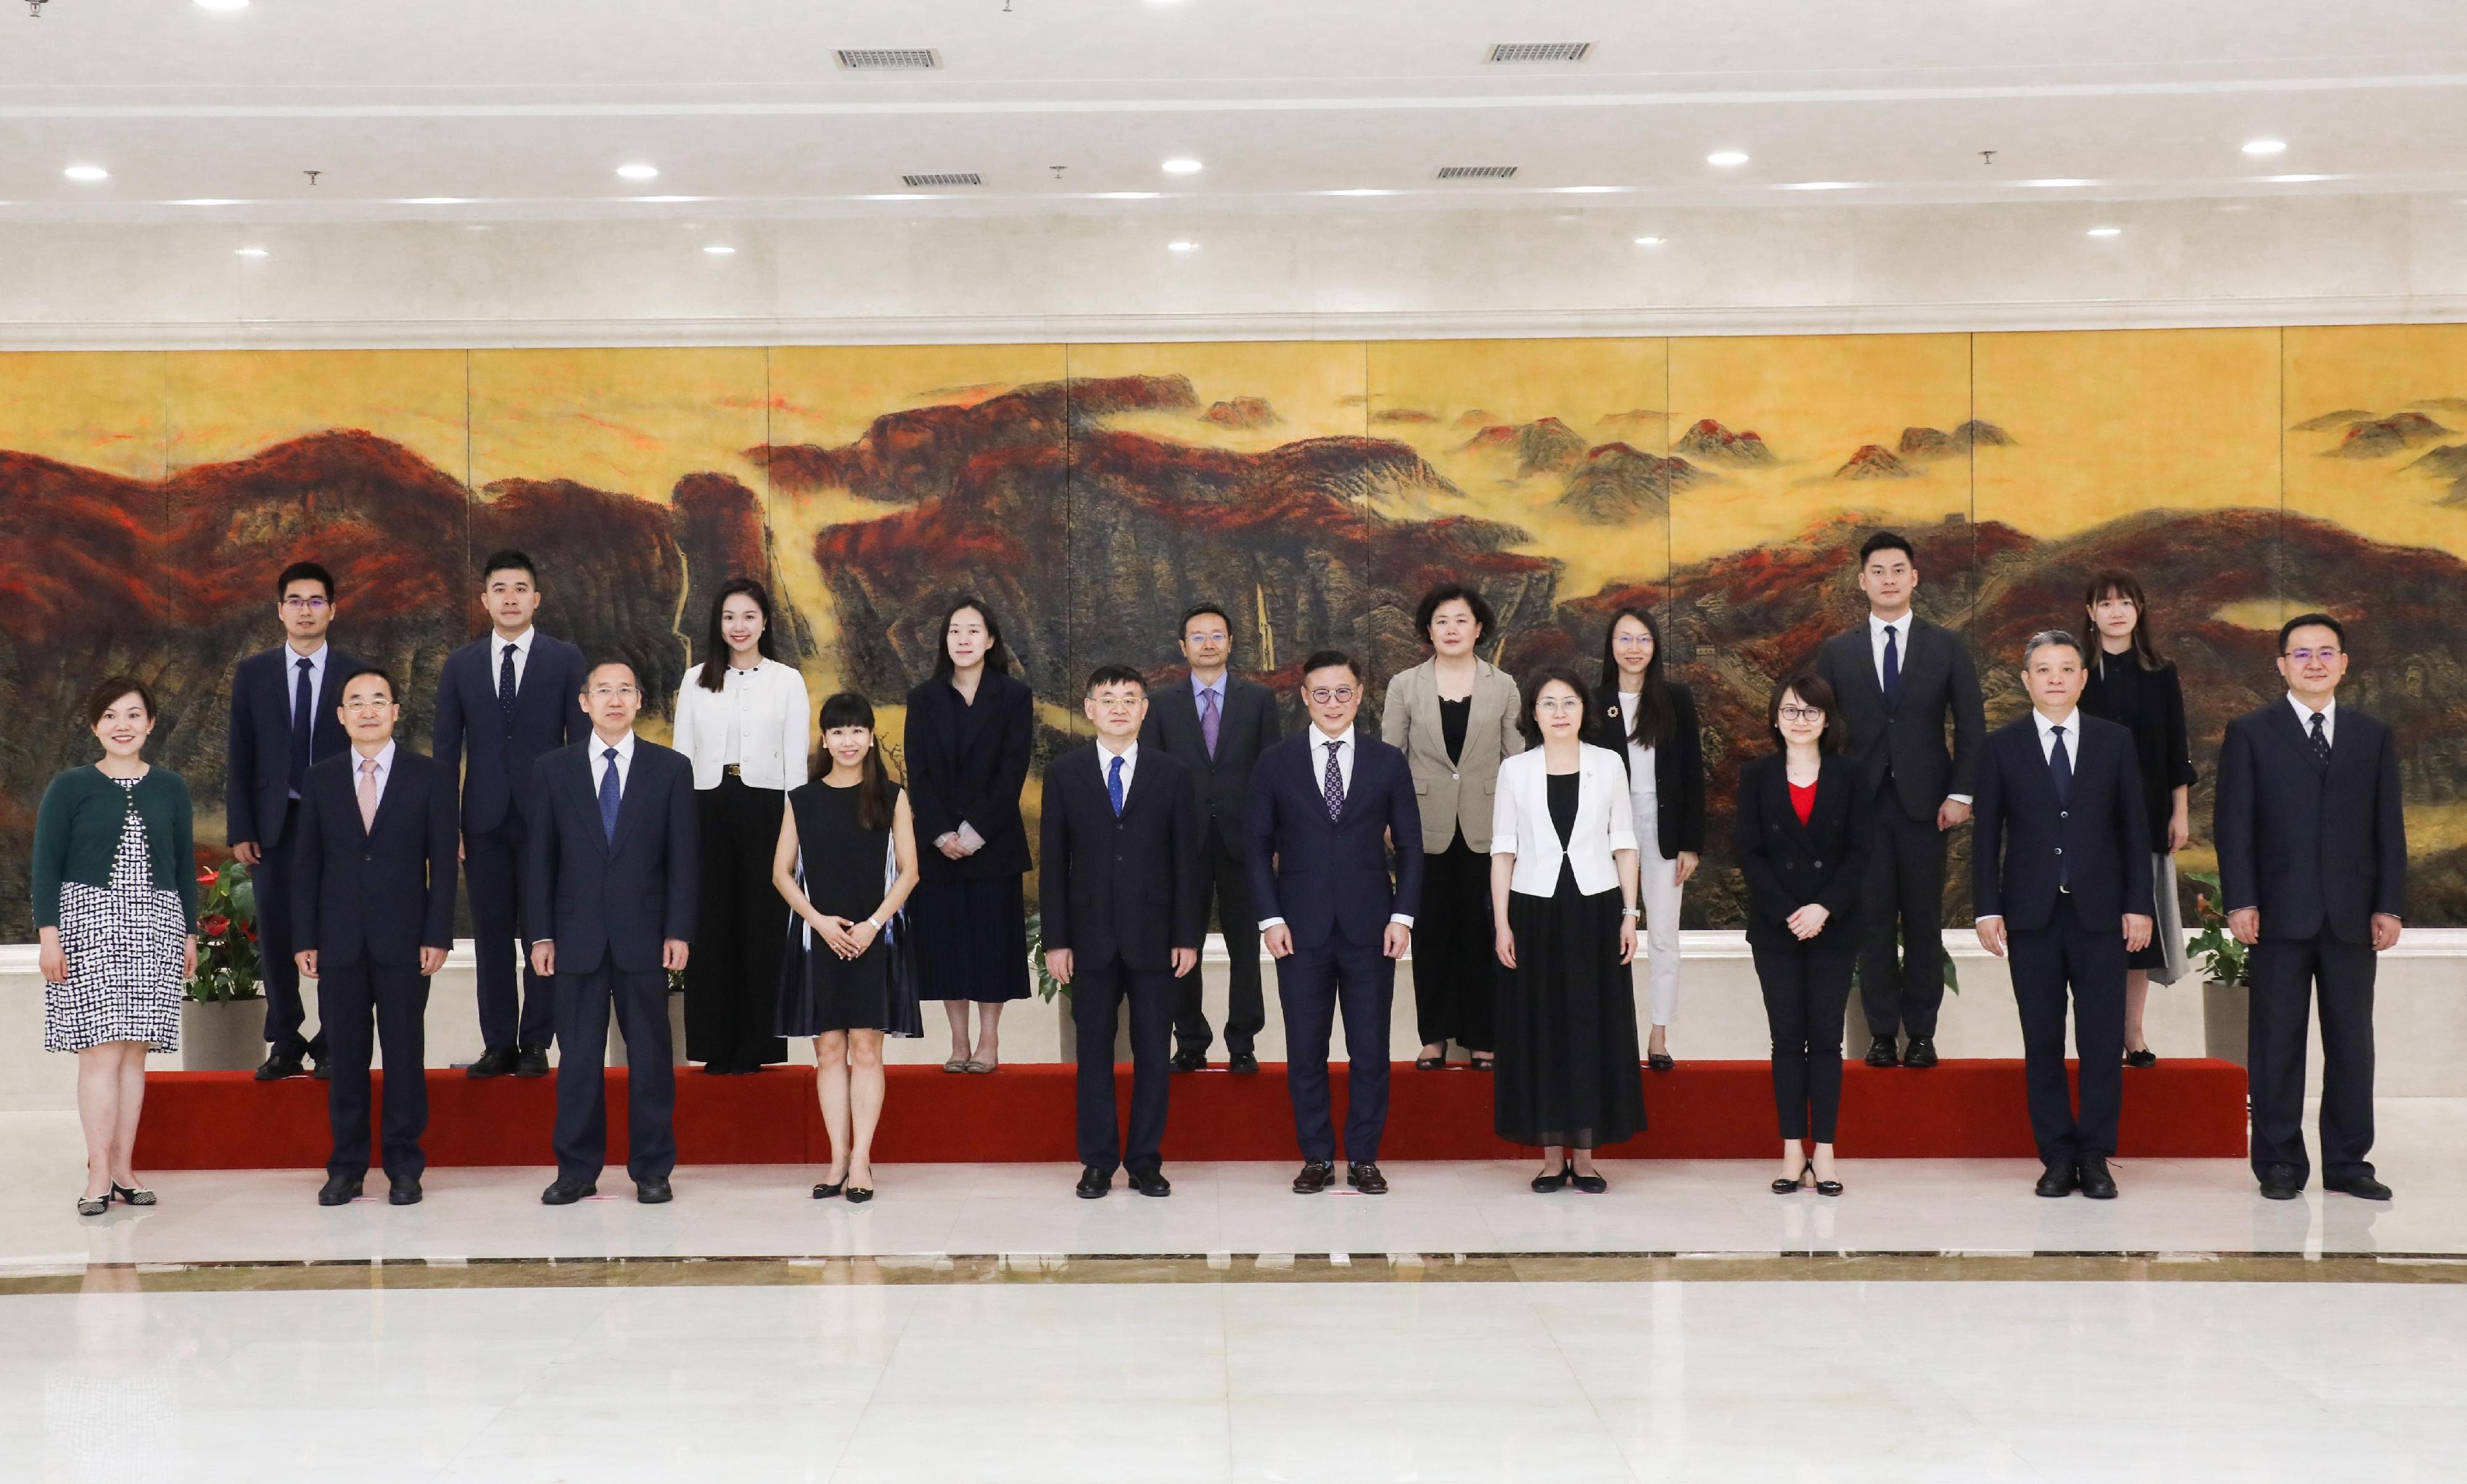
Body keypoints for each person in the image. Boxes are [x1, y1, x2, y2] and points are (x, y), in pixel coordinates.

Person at [2215, 613, 2405, 1203]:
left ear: (2345, 664)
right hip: (2277, 913)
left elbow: (2387, 829)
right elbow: (2233, 825)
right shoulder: (2251, 732)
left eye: (2327, 652)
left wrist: (2389, 906)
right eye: (2301, 654)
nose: (2315, 663)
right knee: (2276, 1042)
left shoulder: (2372, 735)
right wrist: (2241, 900)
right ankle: (2277, 1162)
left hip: (2352, 915)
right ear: (2281, 666)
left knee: (2352, 1042)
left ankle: (2349, 1162)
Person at [1972, 632, 2154, 1201]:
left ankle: (2096, 1154)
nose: (2055, 678)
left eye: (2067, 668)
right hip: (2031, 915)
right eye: (2043, 669)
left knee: (2102, 1039)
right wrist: (1986, 908)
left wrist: (2139, 905)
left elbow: (2134, 830)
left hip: (2102, 914)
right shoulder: (2002, 746)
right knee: (2042, 1038)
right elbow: (1986, 837)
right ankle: (2055, 1154)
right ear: (2026, 681)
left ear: (2082, 678)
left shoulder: (2114, 741)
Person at [1248, 649, 1425, 1195]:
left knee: (1370, 1050)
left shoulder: (1387, 761)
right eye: (1321, 693)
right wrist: (1269, 918)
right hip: (1297, 932)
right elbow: (1255, 848)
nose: (1332, 702)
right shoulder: (1275, 762)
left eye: (1343, 692)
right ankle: (1318, 1157)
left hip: (1373, 929)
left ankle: (1365, 1157)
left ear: (1359, 696)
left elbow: (1413, 848)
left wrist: (1404, 915)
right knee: (1306, 1048)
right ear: (1304, 697)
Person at [526, 661, 698, 1205]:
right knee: (577, 1060)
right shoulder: (554, 770)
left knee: (650, 1057)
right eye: (604, 691)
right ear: (585, 703)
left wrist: (679, 929)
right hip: (574, 937)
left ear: (640, 701)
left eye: (626, 690)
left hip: (644, 935)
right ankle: (576, 1170)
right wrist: (540, 935)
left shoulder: (669, 768)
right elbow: (540, 862)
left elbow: (683, 861)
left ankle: (652, 1169)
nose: (615, 700)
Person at [1811, 530, 1984, 1070]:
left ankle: (1923, 1036)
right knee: (1873, 923)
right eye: (1877, 571)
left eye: (1897, 570)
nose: (1888, 579)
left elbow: (1972, 726)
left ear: (1914, 578)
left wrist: (1961, 794)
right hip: (1860, 808)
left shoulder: (1946, 645)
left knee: (1924, 923)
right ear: (1862, 582)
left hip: (1927, 807)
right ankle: (1882, 1034)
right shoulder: (1838, 651)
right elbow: (1820, 729)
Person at [291, 668, 457, 1208]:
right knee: (345, 1057)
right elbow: (307, 864)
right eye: (356, 703)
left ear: (395, 712)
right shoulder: (320, 779)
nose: (367, 711)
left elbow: (444, 867)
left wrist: (438, 934)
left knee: (406, 1057)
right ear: (340, 716)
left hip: (407, 940)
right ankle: (347, 1168)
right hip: (338, 940)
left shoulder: (429, 776)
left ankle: (405, 1167)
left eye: (378, 701)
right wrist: (305, 937)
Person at [33, 678, 197, 1218]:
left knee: (134, 1053)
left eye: (133, 715)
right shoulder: (70, 786)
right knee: (100, 1051)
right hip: (88, 921)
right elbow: (46, 865)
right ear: (95, 726)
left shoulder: (171, 787)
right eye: (109, 716)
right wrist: (49, 936)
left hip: (156, 921)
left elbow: (182, 867)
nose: (122, 725)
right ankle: (98, 1172)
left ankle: (125, 1169)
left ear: (151, 724)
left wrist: (190, 934)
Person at [1044, 666, 1206, 1199]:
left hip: (1156, 936)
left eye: (1129, 699)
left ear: (1144, 710)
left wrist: (1188, 935)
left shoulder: (1172, 773)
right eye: (1107, 698)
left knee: (1154, 1051)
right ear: (1089, 708)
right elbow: (1052, 864)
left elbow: (1188, 861)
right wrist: (1057, 940)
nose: (1118, 707)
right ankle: (1096, 1162)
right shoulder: (1065, 774)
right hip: (1088, 937)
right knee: (1093, 1051)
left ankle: (1145, 1160)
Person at [433, 550, 590, 1080]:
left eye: (520, 588)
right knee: (492, 936)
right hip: (482, 820)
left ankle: (536, 1042)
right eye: (500, 589)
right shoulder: (461, 664)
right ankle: (498, 1041)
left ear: (536, 598)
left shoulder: (565, 659)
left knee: (543, 934)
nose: (510, 598)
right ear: (485, 600)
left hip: (548, 821)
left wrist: (577, 822)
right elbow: (443, 751)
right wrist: (447, 822)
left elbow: (581, 748)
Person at [1489, 667, 1644, 1194]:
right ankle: (1552, 1156)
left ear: (1584, 710)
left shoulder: (1609, 764)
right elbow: (1502, 851)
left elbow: (1625, 842)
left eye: (1570, 702)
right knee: (1542, 1026)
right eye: (1549, 703)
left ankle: (1587, 1154)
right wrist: (1502, 923)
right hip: (1532, 910)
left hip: (1596, 908)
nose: (1560, 712)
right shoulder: (1516, 770)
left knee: (1590, 1025)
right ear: (1533, 712)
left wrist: (1630, 913)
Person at [774, 692, 920, 1206]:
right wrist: (818, 923)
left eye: (857, 731)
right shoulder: (802, 799)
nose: (848, 741)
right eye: (838, 732)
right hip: (819, 940)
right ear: (825, 739)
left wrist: (872, 925)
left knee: (866, 1047)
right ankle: (837, 1158)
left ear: (871, 736)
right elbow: (781, 873)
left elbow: (910, 872)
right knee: (828, 1050)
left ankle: (863, 1161)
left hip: (873, 936)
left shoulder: (892, 796)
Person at [227, 560, 364, 1081]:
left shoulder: (356, 673)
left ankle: (333, 1040)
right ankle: (285, 1039)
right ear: (279, 610)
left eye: (315, 601)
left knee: (336, 932)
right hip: (274, 822)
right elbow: (240, 754)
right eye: (294, 601)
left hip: (338, 824)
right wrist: (242, 828)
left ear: (333, 609)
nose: (305, 610)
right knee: (279, 934)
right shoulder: (254, 672)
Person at [1735, 672, 1868, 1197]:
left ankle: (1827, 1153)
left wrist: (1823, 908)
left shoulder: (1852, 775)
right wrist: (1793, 910)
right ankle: (1792, 1151)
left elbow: (1861, 853)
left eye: (1810, 712)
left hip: (1834, 926)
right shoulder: (1757, 776)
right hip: (1776, 927)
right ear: (1775, 718)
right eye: (1790, 711)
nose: (1800, 720)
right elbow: (1750, 854)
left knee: (1827, 1042)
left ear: (1827, 719)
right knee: (1787, 1040)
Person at [1381, 583, 1523, 1072]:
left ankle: (1484, 1038)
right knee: (1433, 932)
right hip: (1423, 827)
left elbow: (1516, 761)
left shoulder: (1503, 685)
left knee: (1483, 931)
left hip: (1489, 827)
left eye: (1461, 620)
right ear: (1428, 630)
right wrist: (1388, 818)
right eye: (1442, 621)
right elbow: (1389, 759)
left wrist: (1519, 826)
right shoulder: (1405, 685)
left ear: (1479, 628)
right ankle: (1434, 1037)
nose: (1452, 629)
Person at [673, 577, 810, 1076]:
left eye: (749, 617)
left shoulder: (787, 680)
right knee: (712, 926)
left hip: (768, 807)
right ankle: (716, 1044)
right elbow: (681, 758)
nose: (739, 626)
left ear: (765, 623)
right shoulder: (695, 680)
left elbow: (796, 763)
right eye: (730, 617)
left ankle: (759, 1046)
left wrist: (796, 833)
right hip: (707, 805)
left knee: (763, 925)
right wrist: (678, 826)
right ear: (718, 623)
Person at [1140, 603, 1280, 1074]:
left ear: (1231, 642)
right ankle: (1191, 1040)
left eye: (1216, 635)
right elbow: (1154, 777)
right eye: (1197, 637)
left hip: (1244, 841)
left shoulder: (1259, 700)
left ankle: (1243, 1042)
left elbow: (1270, 773)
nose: (1207, 644)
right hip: (1182, 843)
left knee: (1246, 947)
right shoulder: (1159, 704)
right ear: (1183, 647)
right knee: (1183, 945)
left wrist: (1271, 837)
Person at [902, 596, 1034, 1071]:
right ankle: (958, 1043)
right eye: (955, 630)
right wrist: (941, 834)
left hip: (993, 845)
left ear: (991, 639)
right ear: (945, 640)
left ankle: (990, 1042)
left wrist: (973, 832)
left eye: (973, 631)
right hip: (939, 850)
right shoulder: (924, 698)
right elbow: (919, 773)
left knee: (990, 947)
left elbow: (1012, 771)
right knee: (947, 947)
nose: (963, 639)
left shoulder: (1014, 697)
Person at [2078, 571, 2197, 1066]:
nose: (2116, 612)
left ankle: (2133, 1034)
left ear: (2141, 609)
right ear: (2090, 613)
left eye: (2126, 602)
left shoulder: (2161, 672)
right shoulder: (2076, 671)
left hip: (2146, 818)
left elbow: (2176, 749)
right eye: (2106, 604)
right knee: (2093, 933)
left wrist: (2180, 813)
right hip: (2086, 822)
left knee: (2137, 933)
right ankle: (2098, 1036)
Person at [1591, 606, 1705, 1070]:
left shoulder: (1675, 699)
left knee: (1662, 935)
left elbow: (1694, 773)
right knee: (1605, 935)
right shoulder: (1595, 700)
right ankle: (1609, 1036)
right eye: (1624, 639)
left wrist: (1691, 843)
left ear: (1655, 647)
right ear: (1611, 647)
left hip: (1663, 831)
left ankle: (1658, 1035)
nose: (1634, 648)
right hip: (1605, 833)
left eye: (1643, 640)